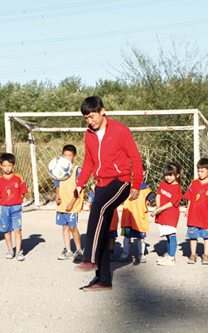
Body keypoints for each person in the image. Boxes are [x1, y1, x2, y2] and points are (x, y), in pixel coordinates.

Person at [74, 96, 143, 291]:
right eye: (86, 118)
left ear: (102, 111)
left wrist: (136, 184)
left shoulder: (120, 130)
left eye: (92, 116)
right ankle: (103, 280)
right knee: (102, 229)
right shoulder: (89, 134)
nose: (90, 121)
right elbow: (88, 162)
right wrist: (80, 184)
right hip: (101, 184)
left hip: (120, 181)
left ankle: (89, 258)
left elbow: (135, 157)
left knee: (98, 207)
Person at [184, 158, 208, 265]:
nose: (200, 173)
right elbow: (189, 198)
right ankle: (193, 254)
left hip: (206, 216)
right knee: (193, 236)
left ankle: (205, 255)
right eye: (198, 171)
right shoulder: (194, 183)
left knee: (206, 236)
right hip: (194, 215)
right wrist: (187, 209)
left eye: (202, 171)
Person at [0, 153, 28, 261]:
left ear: (14, 165)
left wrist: (18, 201)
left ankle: (18, 252)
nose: (7, 168)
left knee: (17, 230)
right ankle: (10, 250)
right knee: (7, 230)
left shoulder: (18, 178)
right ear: (1, 166)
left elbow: (23, 191)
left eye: (9, 165)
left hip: (16, 208)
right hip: (5, 208)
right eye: (4, 166)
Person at [55, 145, 84, 261]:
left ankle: (78, 250)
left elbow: (80, 188)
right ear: (62, 156)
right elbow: (57, 185)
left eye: (70, 155)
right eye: (65, 155)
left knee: (73, 227)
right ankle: (68, 250)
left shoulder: (77, 170)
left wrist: (72, 202)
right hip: (62, 204)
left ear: (74, 156)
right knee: (65, 227)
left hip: (73, 204)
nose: (67, 157)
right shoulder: (58, 169)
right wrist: (57, 195)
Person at [151, 163, 182, 266]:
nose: (168, 177)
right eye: (166, 175)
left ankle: (171, 258)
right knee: (167, 236)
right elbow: (158, 195)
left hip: (170, 215)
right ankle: (169, 255)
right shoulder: (163, 183)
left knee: (171, 235)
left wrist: (160, 209)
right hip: (163, 214)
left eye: (171, 175)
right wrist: (158, 207)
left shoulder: (177, 187)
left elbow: (171, 203)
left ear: (177, 175)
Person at [119, 180, 152, 263]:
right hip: (128, 217)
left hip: (139, 218)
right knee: (127, 236)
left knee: (141, 237)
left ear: (143, 172)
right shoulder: (126, 186)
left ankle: (141, 254)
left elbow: (148, 200)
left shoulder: (146, 188)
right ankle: (125, 253)